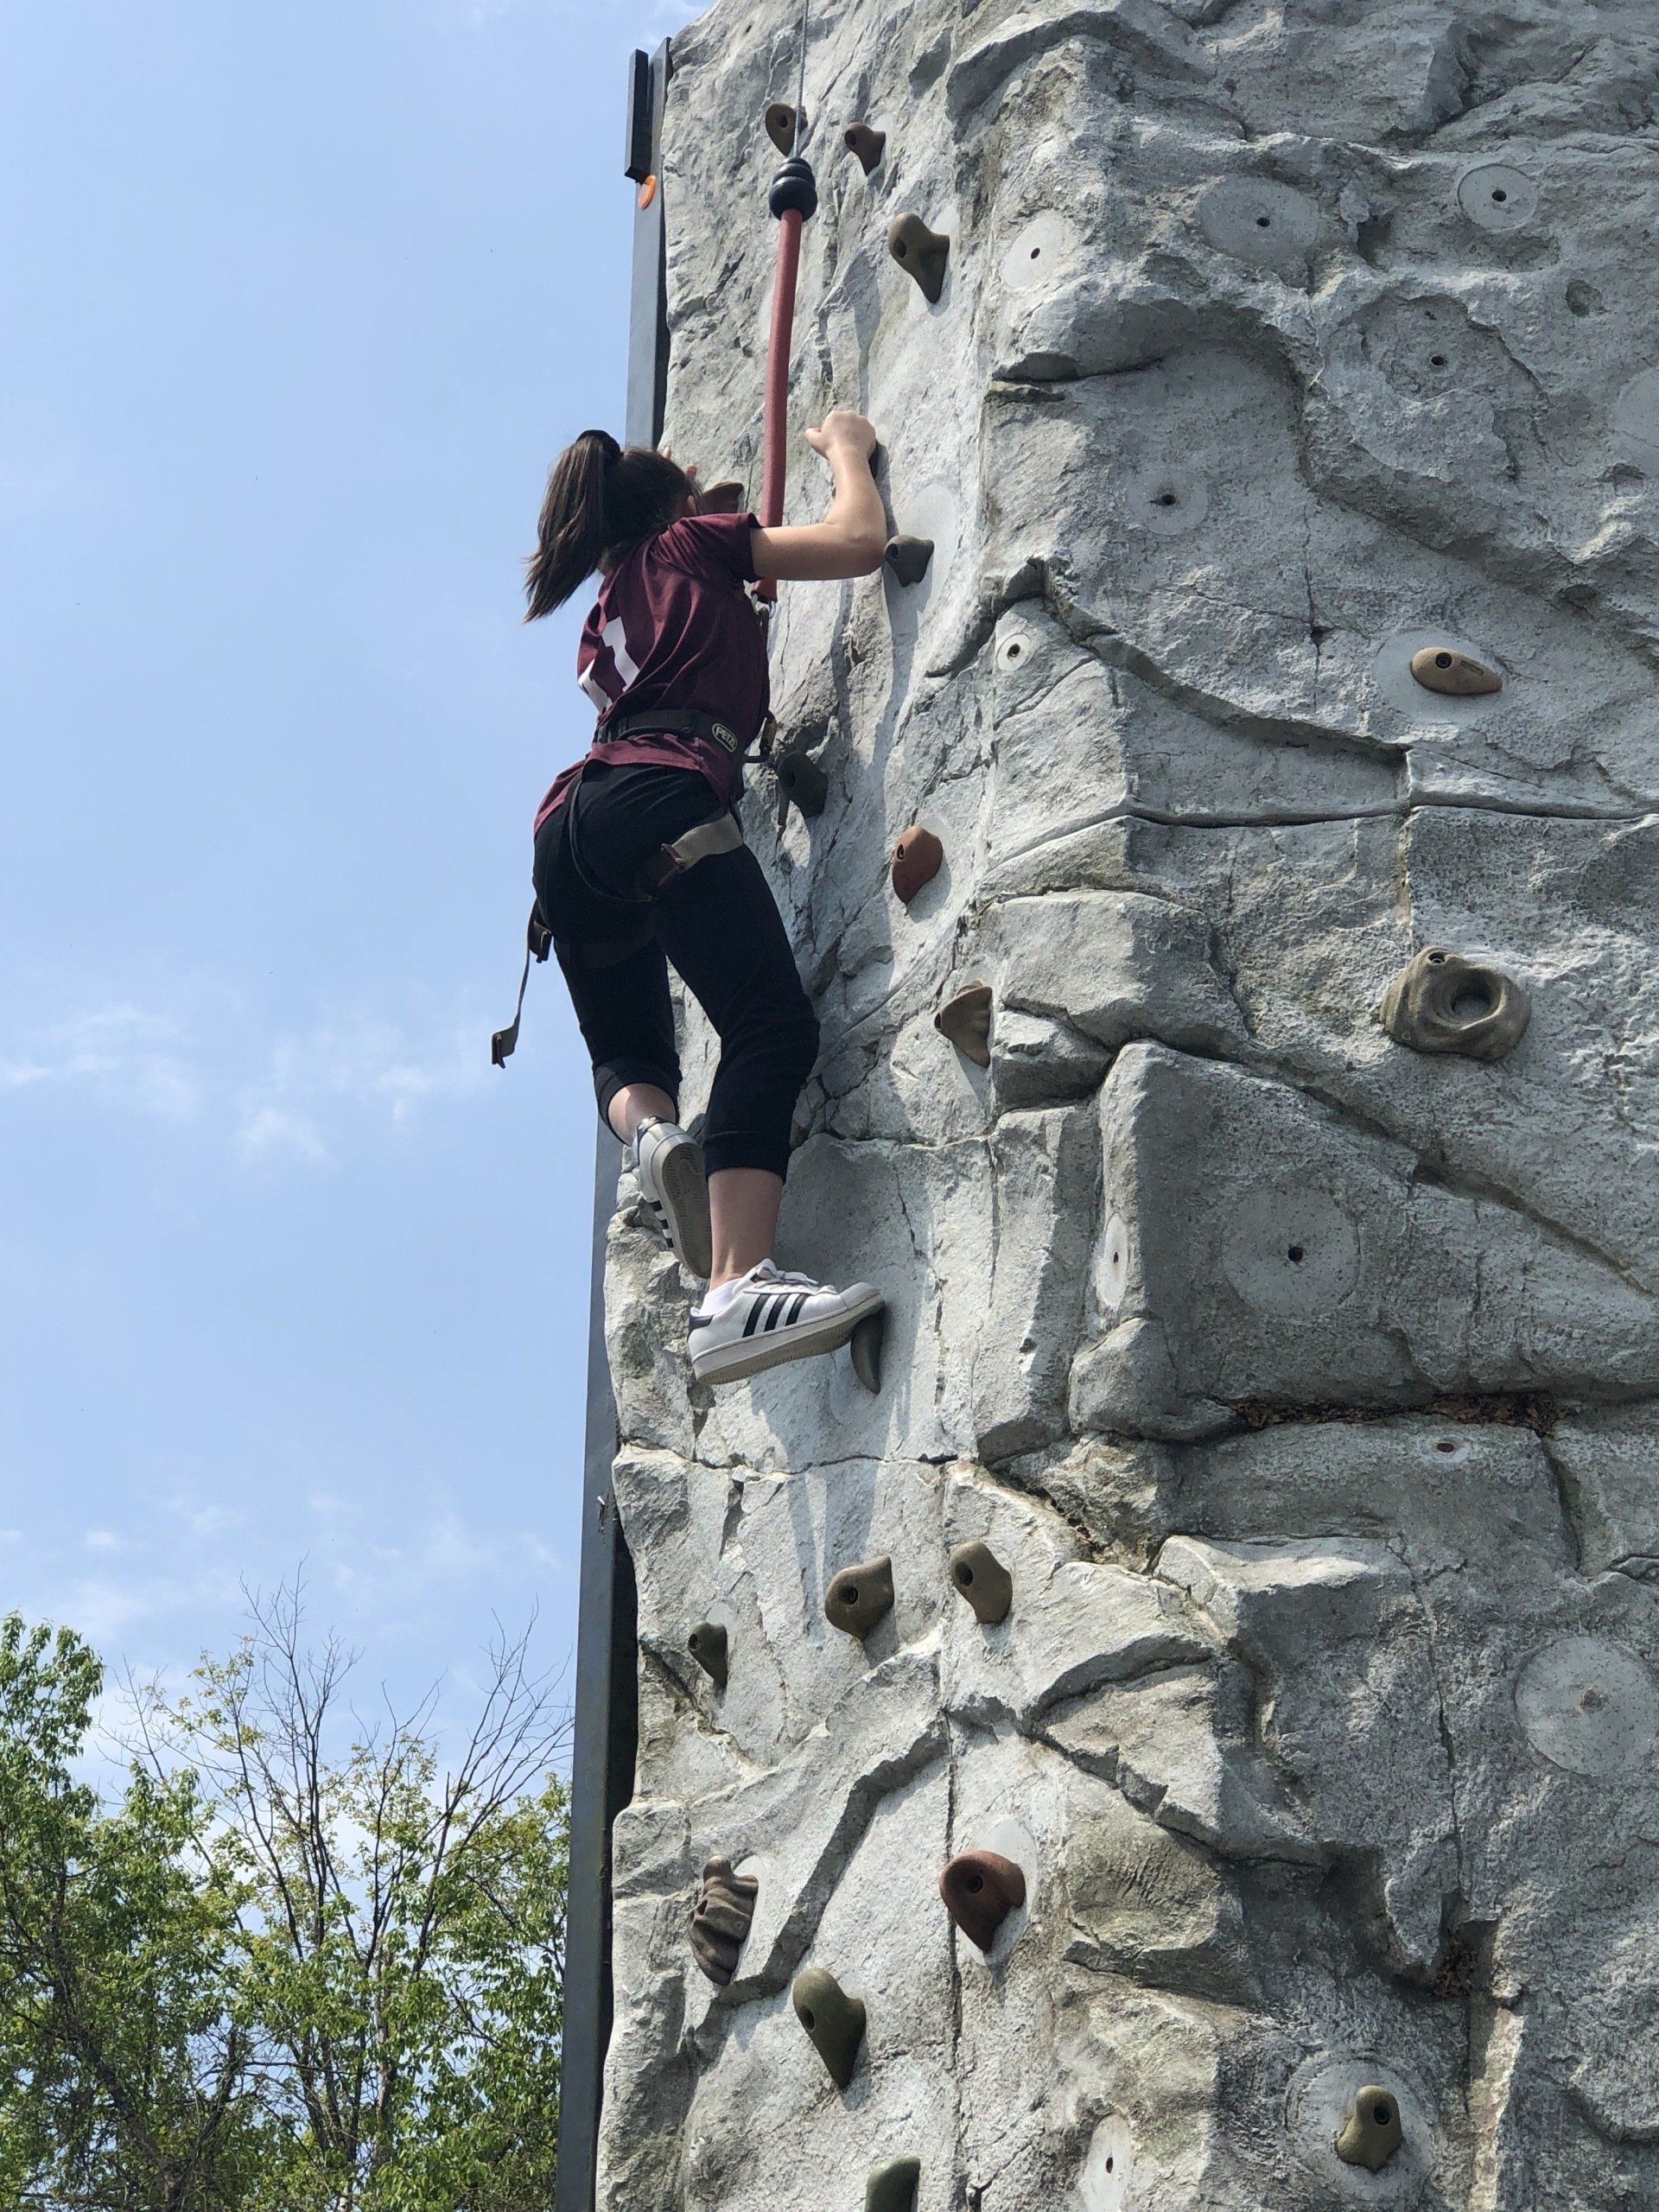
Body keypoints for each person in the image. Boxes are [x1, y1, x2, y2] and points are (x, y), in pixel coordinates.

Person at [520, 410, 888, 1387]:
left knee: (631, 1057)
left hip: (569, 828)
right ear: (680, 508)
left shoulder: (607, 607)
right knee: (769, 1026)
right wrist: (845, 449)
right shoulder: (686, 543)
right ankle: (733, 1287)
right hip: (657, 797)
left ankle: (651, 1141)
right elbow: (858, 542)